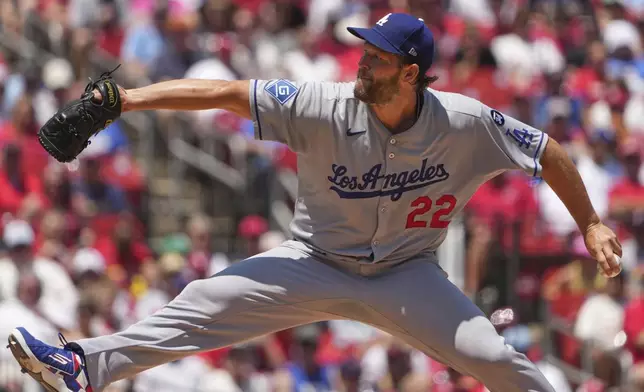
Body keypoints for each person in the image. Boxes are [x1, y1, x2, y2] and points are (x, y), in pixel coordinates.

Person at [7, 13, 623, 392]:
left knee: (495, 358)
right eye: (364, 49)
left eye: (377, 57)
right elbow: (223, 92)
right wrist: (127, 100)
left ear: (410, 74)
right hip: (313, 261)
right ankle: (83, 367)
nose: (362, 60)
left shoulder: (464, 121)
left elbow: (547, 151)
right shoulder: (322, 104)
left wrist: (591, 223)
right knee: (201, 302)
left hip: (407, 274)